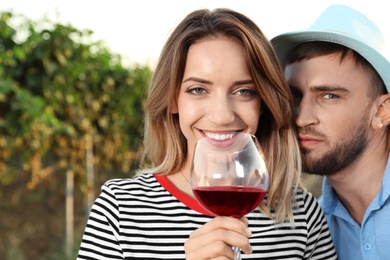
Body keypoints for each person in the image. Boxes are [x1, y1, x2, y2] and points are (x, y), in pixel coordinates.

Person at [77, 8, 337, 259]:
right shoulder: (120, 209)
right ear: (172, 99)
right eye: (198, 90)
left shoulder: (302, 214)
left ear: (263, 104)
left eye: (244, 91)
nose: (222, 116)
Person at [271, 4, 390, 260]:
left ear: (382, 111)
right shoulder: (307, 229)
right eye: (295, 95)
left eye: (329, 95)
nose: (301, 118)